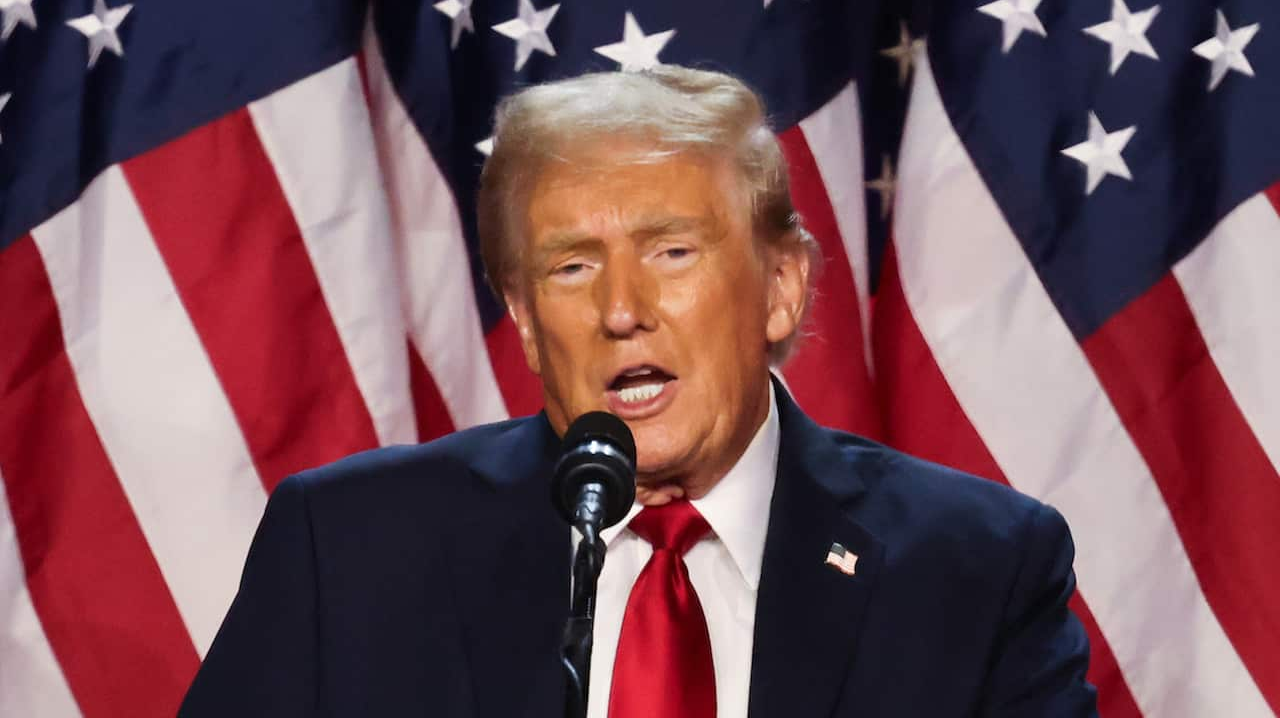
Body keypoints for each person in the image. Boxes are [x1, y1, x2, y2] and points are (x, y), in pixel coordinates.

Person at [178, 66, 1097, 718]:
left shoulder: (974, 571)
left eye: (672, 251)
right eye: (573, 267)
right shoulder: (350, 550)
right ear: (529, 322)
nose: (623, 310)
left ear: (782, 286)